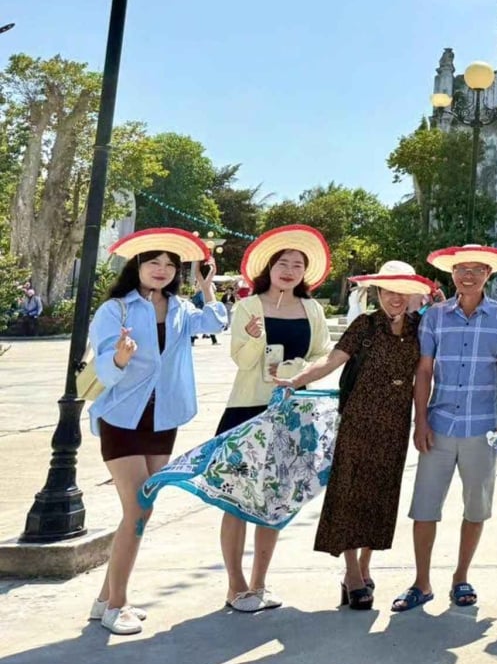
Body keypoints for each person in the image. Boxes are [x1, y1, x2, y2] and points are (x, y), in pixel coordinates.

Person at [85, 229, 226, 635]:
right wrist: (120, 355)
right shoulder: (117, 309)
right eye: (154, 263)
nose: (162, 270)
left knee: (141, 510)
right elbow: (106, 371)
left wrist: (207, 286)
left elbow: (215, 321)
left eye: (169, 264)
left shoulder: (180, 308)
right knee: (139, 508)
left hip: (163, 420)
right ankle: (117, 603)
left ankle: (103, 598)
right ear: (138, 266)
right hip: (123, 418)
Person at [279, 260, 434, 611]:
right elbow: (333, 361)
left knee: (381, 496)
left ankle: (365, 567)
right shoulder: (364, 326)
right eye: (388, 290)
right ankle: (351, 573)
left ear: (411, 294)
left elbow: (428, 371)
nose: (395, 298)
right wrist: (298, 379)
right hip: (358, 422)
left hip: (395, 424)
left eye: (401, 291)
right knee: (349, 493)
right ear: (377, 293)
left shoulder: (420, 328)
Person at [395, 244, 497, 613]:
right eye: (461, 269)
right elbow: (423, 370)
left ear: (488, 274)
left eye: (477, 269)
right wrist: (420, 420)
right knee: (424, 507)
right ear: (452, 275)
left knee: (476, 507)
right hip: (440, 422)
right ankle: (422, 581)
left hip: (482, 426)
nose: (468, 275)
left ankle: (461, 575)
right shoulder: (435, 316)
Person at [216, 225, 333, 613]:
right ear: (269, 267)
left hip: (290, 410)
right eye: (283, 262)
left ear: (305, 273)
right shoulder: (249, 306)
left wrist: (300, 370)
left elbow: (322, 353)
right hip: (248, 407)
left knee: (274, 499)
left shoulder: (312, 309)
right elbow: (243, 360)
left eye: (298, 265)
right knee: (236, 497)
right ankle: (236, 585)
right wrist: (252, 336)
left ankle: (260, 583)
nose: (290, 270)